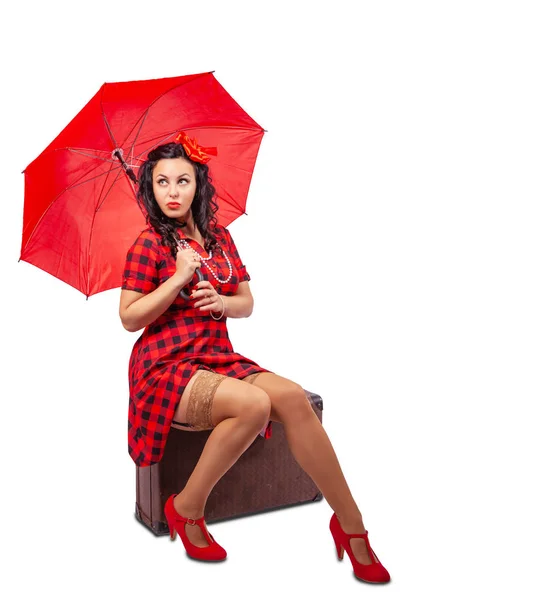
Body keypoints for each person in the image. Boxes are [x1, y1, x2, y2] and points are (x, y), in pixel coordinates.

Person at [119, 132, 391, 584]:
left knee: (294, 399)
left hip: (216, 355)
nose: (172, 192)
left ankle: (350, 525)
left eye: (182, 181)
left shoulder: (219, 238)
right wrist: (177, 280)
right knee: (254, 404)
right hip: (166, 366)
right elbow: (129, 318)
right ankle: (187, 509)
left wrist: (220, 302)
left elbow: (246, 300)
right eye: (162, 182)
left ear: (197, 185)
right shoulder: (148, 245)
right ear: (150, 187)